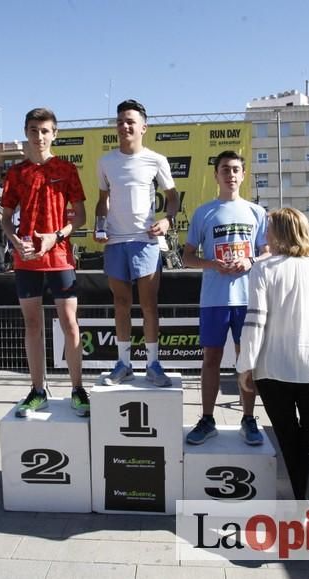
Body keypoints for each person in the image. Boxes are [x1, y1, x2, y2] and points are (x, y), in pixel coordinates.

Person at [236, 208, 309, 501]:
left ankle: (305, 508)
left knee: (289, 438)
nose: (265, 233)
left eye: (269, 228)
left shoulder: (264, 269)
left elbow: (255, 321)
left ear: (280, 232)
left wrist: (245, 367)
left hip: (273, 367)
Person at [1, 107, 89, 417]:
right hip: (26, 261)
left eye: (45, 130)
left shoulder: (66, 169)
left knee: (70, 324)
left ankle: (78, 389)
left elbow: (80, 216)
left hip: (60, 257)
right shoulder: (16, 173)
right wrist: (15, 241)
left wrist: (57, 235)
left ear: (54, 134)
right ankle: (38, 390)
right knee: (33, 325)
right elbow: (6, 219)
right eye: (34, 130)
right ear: (26, 132)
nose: (39, 136)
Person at [182, 151, 269, 446]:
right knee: (211, 359)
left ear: (243, 175)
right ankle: (207, 419)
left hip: (247, 298)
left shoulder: (257, 212)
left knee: (247, 361)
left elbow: (268, 252)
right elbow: (187, 257)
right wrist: (212, 264)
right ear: (216, 175)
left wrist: (250, 261)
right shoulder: (204, 212)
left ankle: (248, 418)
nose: (230, 174)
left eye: (235, 169)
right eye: (224, 170)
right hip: (214, 299)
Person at [95, 99, 180, 387]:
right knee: (121, 304)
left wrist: (167, 220)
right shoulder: (105, 162)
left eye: (130, 121)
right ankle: (124, 364)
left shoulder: (156, 160)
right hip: (116, 243)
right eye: (120, 121)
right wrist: (99, 226)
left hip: (146, 242)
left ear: (143, 127)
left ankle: (153, 364)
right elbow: (102, 200)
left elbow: (173, 197)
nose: (124, 126)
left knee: (149, 306)